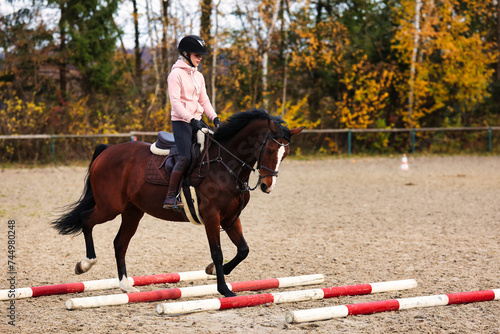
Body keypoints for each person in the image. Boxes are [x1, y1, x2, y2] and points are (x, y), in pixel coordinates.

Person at [164, 35, 222, 210]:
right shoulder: (175, 74)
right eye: (197, 54)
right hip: (182, 122)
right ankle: (170, 197)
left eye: (201, 55)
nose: (200, 58)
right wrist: (191, 120)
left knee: (210, 152)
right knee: (186, 157)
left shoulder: (199, 77)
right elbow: (175, 103)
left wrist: (215, 118)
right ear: (186, 54)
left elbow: (204, 101)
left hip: (197, 121)